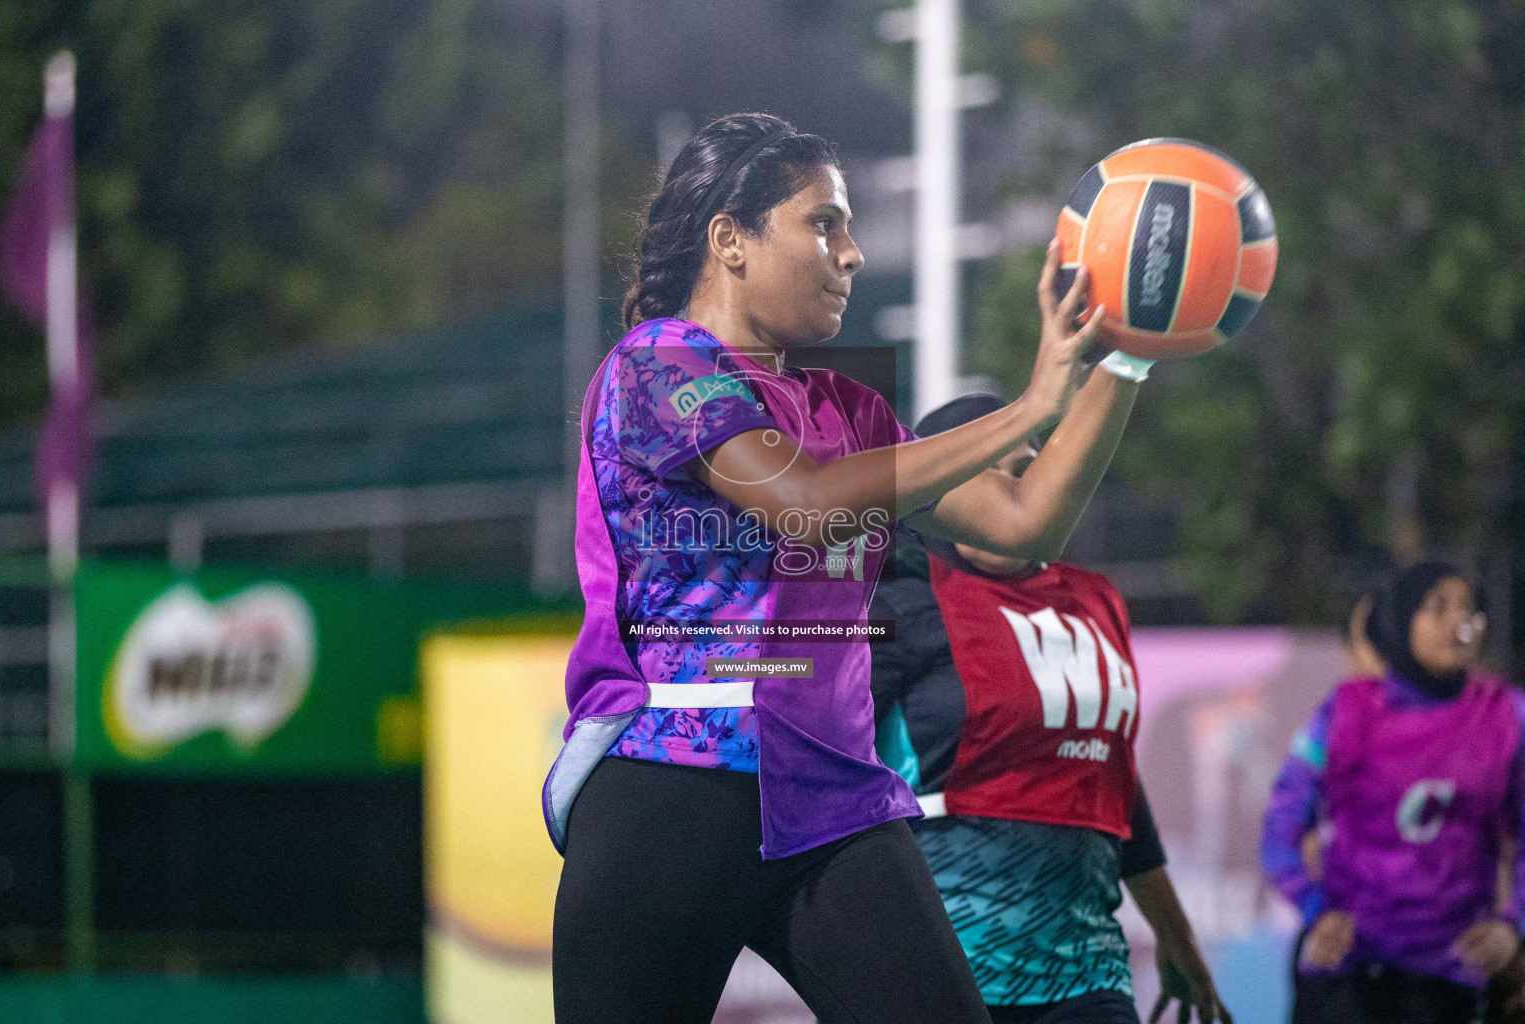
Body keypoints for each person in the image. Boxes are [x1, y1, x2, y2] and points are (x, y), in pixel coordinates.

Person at [545, 112, 1154, 1024]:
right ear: (731, 241)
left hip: (832, 793)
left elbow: (1022, 524)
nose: (853, 252)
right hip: (671, 779)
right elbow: (811, 503)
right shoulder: (659, 365)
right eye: (823, 222)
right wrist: (1034, 404)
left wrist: (1128, 352)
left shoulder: (847, 408)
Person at [871, 393, 1228, 1024]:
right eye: (997, 470)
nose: (1023, 485)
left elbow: (1109, 781)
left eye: (1032, 465)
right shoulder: (900, 600)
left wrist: (1175, 934)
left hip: (1086, 968)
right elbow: (808, 747)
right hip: (946, 972)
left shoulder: (1092, 602)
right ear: (942, 495)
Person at [1261, 561, 1525, 1024]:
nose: (1459, 622)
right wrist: (1315, 907)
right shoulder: (1347, 710)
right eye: (1437, 608)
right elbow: (1282, 823)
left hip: (1454, 979)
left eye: (1470, 610)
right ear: (1402, 621)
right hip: (1351, 974)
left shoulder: (1504, 716)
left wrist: (1512, 926)